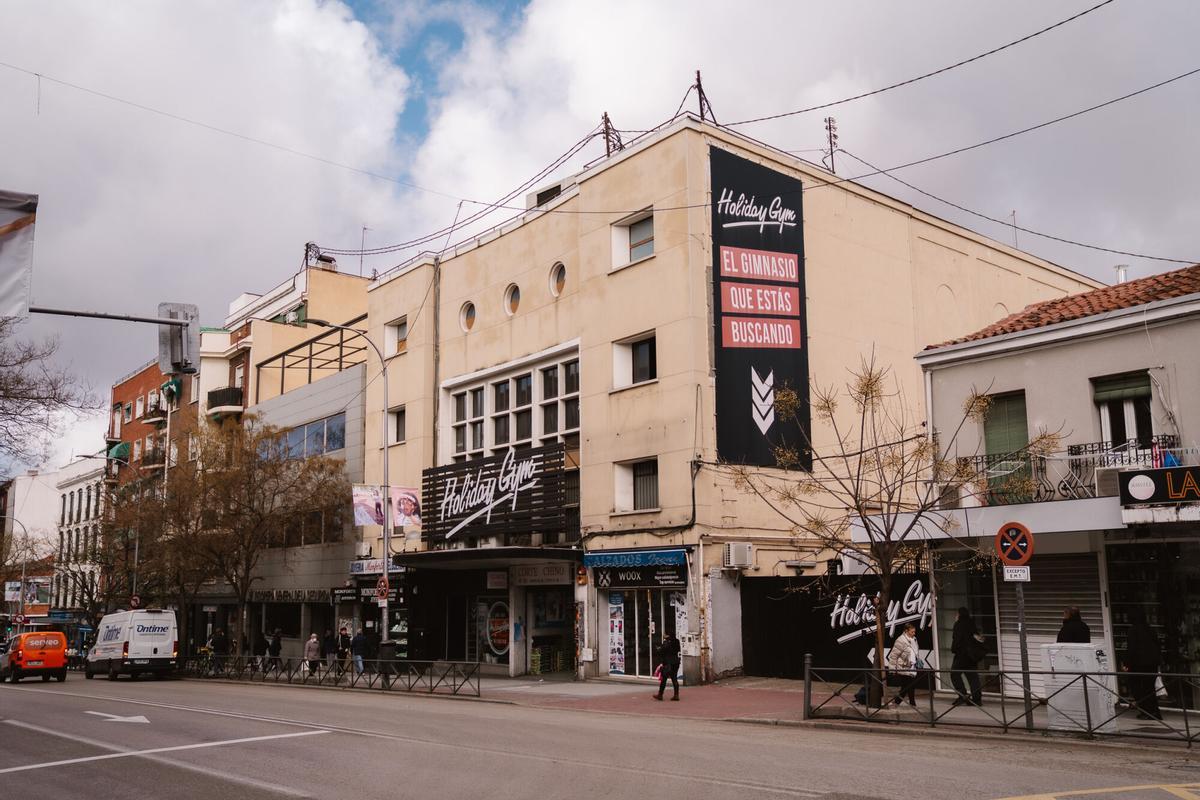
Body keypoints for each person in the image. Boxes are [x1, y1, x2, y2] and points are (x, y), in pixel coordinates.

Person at [1124, 609, 1162, 720]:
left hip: (1138, 664)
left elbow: (1131, 648)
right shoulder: (1150, 629)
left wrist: (1127, 662)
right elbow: (1157, 646)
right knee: (1149, 688)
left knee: (1137, 687)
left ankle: (1146, 711)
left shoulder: (1133, 630)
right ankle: (1154, 712)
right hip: (1152, 664)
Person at [950, 607, 985, 706]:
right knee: (973, 677)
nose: (955, 616)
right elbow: (976, 637)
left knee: (954, 674)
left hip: (962, 655)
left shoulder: (959, 625)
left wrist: (954, 649)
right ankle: (977, 699)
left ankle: (962, 695)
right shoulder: (971, 623)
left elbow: (957, 640)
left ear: (959, 614)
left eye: (956, 614)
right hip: (972, 656)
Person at [887, 624, 920, 707]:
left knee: (907, 686)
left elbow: (915, 652)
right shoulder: (900, 640)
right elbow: (894, 655)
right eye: (912, 632)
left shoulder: (914, 639)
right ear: (906, 631)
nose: (914, 633)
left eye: (914, 632)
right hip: (903, 667)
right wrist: (892, 669)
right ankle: (912, 703)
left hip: (912, 666)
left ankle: (897, 702)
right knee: (909, 685)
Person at [652, 631, 682, 701]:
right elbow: (677, 649)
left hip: (668, 663)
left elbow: (662, 650)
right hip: (676, 662)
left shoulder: (667, 642)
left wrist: (658, 649)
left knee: (664, 679)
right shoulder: (676, 641)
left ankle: (660, 694)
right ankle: (676, 695)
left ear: (668, 635)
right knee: (674, 678)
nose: (663, 635)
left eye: (665, 634)